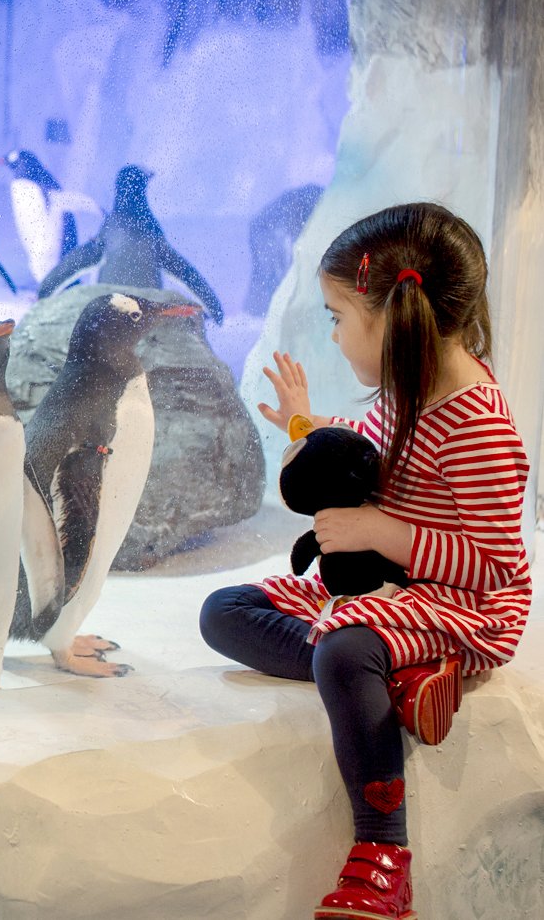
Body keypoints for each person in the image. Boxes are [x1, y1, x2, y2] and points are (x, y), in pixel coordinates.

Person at [199, 202, 530, 920]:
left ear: (389, 317)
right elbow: (371, 447)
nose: (335, 333)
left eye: (337, 317)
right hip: (395, 590)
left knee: (344, 654)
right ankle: (401, 679)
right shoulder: (405, 388)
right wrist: (306, 424)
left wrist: (382, 531)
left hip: (462, 605)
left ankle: (383, 853)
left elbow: (497, 565)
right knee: (224, 612)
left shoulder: (476, 419)